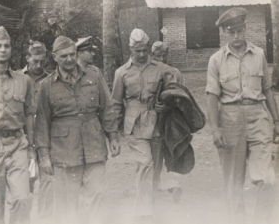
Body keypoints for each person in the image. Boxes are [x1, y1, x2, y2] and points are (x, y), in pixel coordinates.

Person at [35, 36, 120, 224]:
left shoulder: (94, 76)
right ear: (54, 57)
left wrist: (113, 137)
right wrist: (44, 156)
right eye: (63, 56)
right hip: (64, 152)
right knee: (67, 204)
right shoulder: (46, 86)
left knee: (97, 195)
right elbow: (41, 124)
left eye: (72, 54)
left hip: (94, 147)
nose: (69, 59)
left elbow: (106, 109)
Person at [206, 7, 279, 224]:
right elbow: (212, 96)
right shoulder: (216, 60)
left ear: (245, 29)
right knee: (233, 182)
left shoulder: (258, 54)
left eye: (239, 31)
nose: (236, 36)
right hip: (230, 119)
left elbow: (267, 90)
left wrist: (276, 120)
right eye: (231, 32)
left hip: (258, 117)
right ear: (225, 33)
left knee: (267, 178)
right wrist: (216, 129)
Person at [111, 29, 177, 223]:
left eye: (144, 50)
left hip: (156, 122)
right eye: (137, 51)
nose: (141, 54)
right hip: (134, 125)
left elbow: (173, 93)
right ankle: (143, 213)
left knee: (155, 168)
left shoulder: (161, 69)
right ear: (130, 49)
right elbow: (115, 103)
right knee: (145, 164)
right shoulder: (121, 73)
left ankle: (150, 206)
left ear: (149, 48)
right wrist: (113, 133)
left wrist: (166, 104)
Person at [0, 26, 35, 224]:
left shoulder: (24, 80)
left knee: (22, 198)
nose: (3, 50)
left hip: (17, 146)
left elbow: (29, 114)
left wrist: (32, 148)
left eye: (7, 46)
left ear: (11, 49)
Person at [17, 40, 52, 223]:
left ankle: (45, 219)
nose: (38, 65)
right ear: (27, 58)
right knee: (27, 182)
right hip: (26, 141)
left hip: (46, 141)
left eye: (42, 61)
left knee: (48, 181)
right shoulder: (17, 78)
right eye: (34, 61)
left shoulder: (52, 79)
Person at [151, 41, 184, 203]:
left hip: (171, 118)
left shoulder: (175, 73)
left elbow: (182, 95)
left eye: (164, 55)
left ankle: (174, 185)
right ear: (153, 56)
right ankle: (155, 185)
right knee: (155, 153)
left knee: (171, 151)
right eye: (158, 56)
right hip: (153, 120)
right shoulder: (149, 73)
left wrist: (170, 105)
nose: (162, 58)